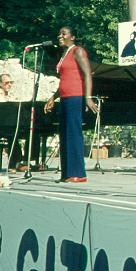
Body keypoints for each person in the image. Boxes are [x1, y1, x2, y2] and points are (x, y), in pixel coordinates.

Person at [44, 26, 99, 183]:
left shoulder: (78, 51)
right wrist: (53, 98)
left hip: (75, 98)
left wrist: (88, 97)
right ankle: (67, 173)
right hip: (65, 98)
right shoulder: (64, 54)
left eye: (64, 34)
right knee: (65, 135)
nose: (60, 36)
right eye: (59, 33)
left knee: (74, 134)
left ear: (72, 37)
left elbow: (88, 75)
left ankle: (78, 173)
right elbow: (65, 80)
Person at [0, 73, 28, 172]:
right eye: (6, 83)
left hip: (10, 125)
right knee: (12, 134)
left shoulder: (9, 96)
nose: (9, 85)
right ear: (0, 84)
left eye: (11, 82)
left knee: (32, 133)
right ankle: (13, 164)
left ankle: (29, 161)